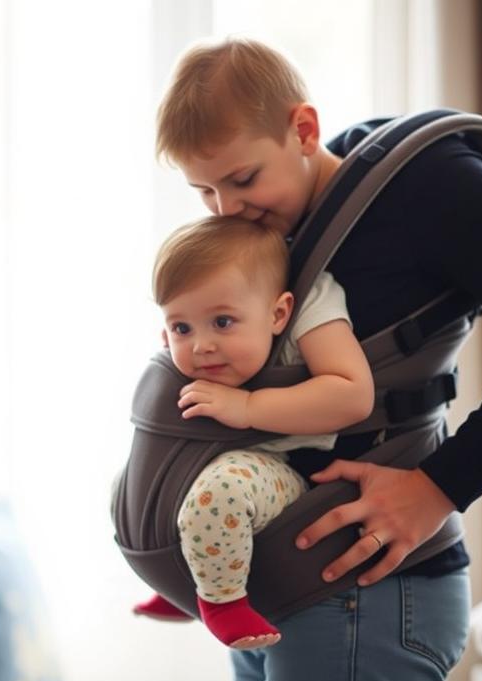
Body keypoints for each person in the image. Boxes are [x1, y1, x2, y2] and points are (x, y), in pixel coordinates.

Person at [155, 36, 480, 681]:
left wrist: (440, 485)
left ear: (304, 129)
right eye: (204, 192)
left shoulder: (426, 185)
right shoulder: (292, 224)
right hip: (289, 593)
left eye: (243, 179)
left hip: (370, 594)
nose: (227, 211)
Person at [130, 215, 373, 649]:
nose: (201, 345)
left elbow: (352, 398)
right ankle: (186, 581)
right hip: (211, 458)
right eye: (181, 328)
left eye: (222, 322)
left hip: (288, 468)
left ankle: (222, 601)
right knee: (131, 483)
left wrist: (247, 406)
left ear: (278, 313)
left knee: (220, 492)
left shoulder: (307, 318)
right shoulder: (202, 346)